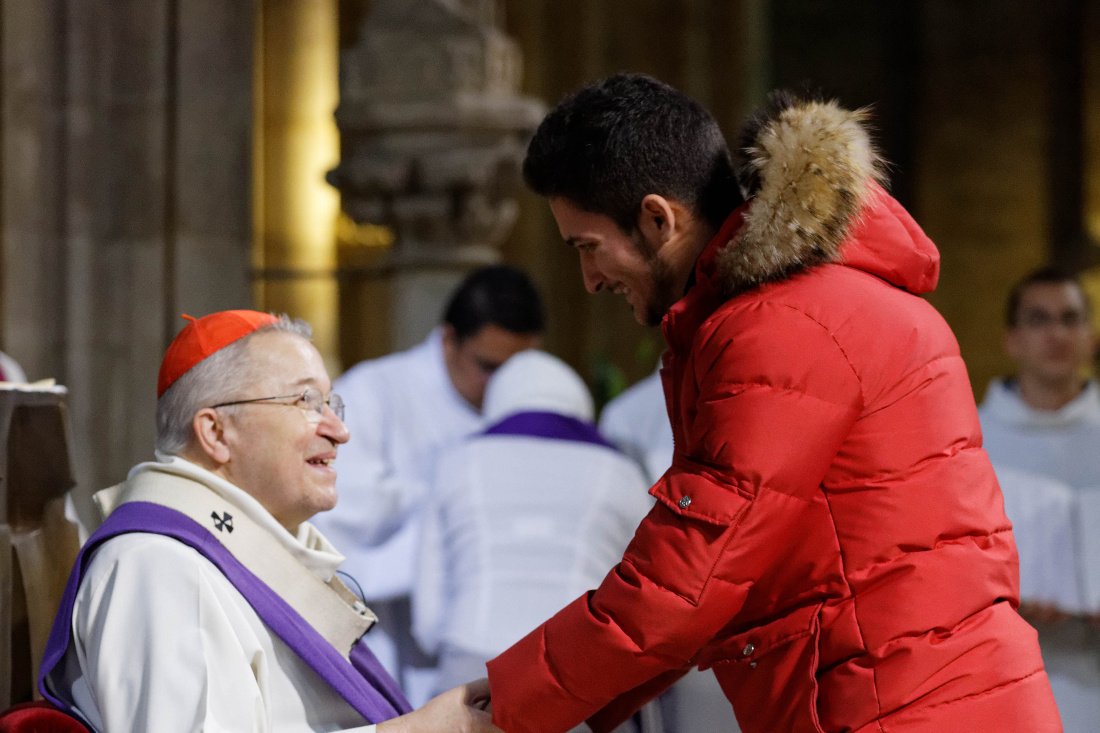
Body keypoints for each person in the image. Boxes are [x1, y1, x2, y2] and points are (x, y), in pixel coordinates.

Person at [484, 74, 1060, 732]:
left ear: (656, 218)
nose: (589, 280)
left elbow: (687, 582)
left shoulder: (783, 325)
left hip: (899, 707)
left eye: (588, 248)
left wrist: (490, 710)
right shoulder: (813, 303)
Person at [39, 310, 499, 733]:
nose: (339, 432)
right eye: (305, 400)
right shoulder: (157, 566)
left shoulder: (236, 557)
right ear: (217, 433)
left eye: (330, 404)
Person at [311, 265, 544, 705]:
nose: (503, 386)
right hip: (394, 638)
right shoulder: (374, 392)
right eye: (488, 367)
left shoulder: (529, 407)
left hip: (504, 640)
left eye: (517, 370)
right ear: (449, 339)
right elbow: (339, 517)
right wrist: (445, 508)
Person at [411, 349, 652, 699]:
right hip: (584, 670)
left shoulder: (455, 463)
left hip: (472, 667)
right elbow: (645, 590)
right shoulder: (623, 473)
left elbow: (428, 617)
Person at [978, 267, 1100, 732]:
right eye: (1039, 319)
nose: (1057, 333)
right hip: (1004, 675)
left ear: (1090, 336)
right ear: (1013, 339)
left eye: (1070, 319)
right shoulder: (973, 437)